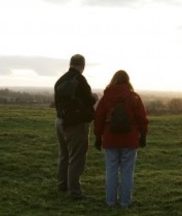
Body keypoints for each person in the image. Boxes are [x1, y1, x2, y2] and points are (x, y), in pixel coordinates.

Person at [93, 70, 148, 208]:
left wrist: (98, 137)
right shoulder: (134, 97)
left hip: (110, 140)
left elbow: (98, 118)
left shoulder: (106, 98)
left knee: (111, 171)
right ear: (128, 81)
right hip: (130, 140)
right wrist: (143, 136)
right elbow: (142, 119)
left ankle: (110, 201)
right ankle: (125, 202)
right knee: (127, 172)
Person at [54, 54, 97, 199]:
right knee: (77, 158)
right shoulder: (80, 80)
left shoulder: (60, 80)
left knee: (64, 155)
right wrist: (95, 97)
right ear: (82, 66)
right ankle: (74, 191)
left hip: (60, 121)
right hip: (76, 124)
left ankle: (62, 185)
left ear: (70, 63)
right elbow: (88, 100)